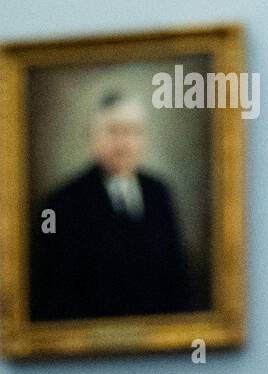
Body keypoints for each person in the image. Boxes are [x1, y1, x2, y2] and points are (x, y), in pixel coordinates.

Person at [30, 92, 192, 321]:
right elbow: (54, 293)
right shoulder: (62, 203)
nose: (124, 143)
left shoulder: (159, 193)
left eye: (133, 132)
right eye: (115, 131)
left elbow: (178, 279)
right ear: (93, 139)